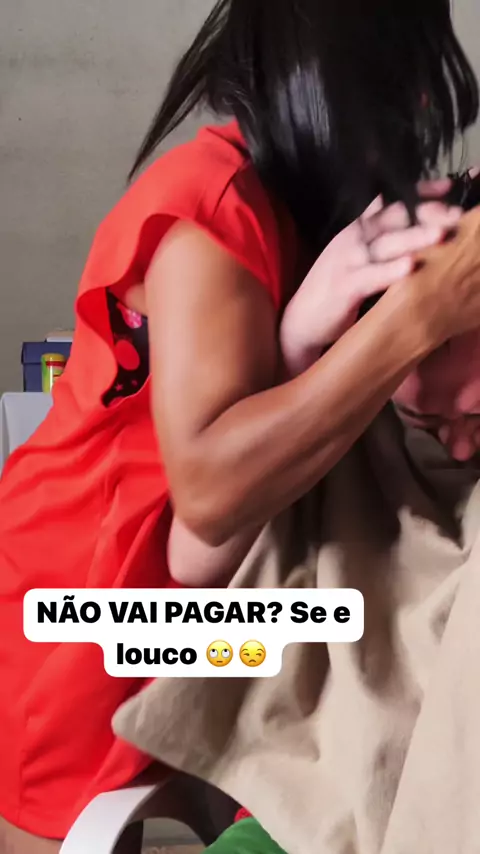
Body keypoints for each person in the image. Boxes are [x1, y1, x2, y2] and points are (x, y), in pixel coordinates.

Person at [1, 0, 480, 851]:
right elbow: (210, 496)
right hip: (94, 608)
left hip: (194, 594)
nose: (419, 118)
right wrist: (414, 319)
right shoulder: (212, 211)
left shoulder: (306, 223)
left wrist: (316, 336)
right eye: (408, 89)